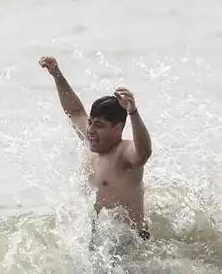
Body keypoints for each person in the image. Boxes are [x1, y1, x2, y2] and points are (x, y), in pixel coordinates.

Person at [39, 56, 153, 239]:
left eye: (98, 125)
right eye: (91, 123)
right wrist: (57, 75)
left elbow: (144, 152)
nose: (90, 130)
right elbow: (75, 111)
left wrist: (133, 112)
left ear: (117, 129)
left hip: (132, 242)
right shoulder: (93, 142)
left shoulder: (124, 154)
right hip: (99, 240)